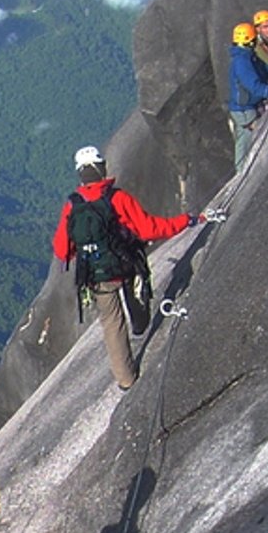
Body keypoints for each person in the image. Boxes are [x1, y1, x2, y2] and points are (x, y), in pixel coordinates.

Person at [52, 145, 206, 391]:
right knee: (138, 284)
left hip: (95, 275)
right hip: (126, 265)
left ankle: (125, 379)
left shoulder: (73, 205)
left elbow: (62, 250)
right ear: (100, 169)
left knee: (112, 323)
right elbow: (150, 229)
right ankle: (141, 320)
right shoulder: (117, 198)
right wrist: (186, 221)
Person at [224, 21, 268, 172]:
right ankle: (242, 173)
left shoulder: (249, 57)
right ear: (250, 40)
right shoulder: (242, 62)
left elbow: (266, 70)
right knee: (248, 140)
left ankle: (242, 172)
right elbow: (252, 85)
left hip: (248, 106)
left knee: (245, 140)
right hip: (244, 110)